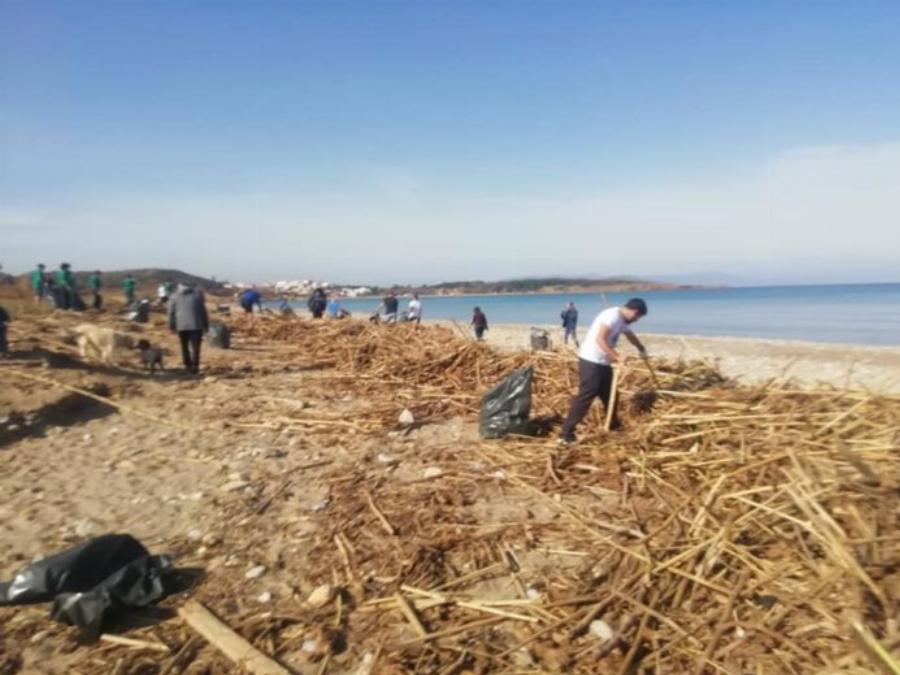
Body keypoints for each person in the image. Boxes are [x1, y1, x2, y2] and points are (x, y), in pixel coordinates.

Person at [558, 298, 649, 444]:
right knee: (586, 395)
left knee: (610, 394)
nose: (636, 320)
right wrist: (616, 356)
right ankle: (565, 434)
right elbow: (600, 339)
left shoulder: (622, 320)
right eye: (637, 317)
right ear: (635, 312)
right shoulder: (612, 316)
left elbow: (629, 334)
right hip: (591, 360)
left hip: (603, 363)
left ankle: (613, 424)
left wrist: (641, 348)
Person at [168, 284, 209, 374]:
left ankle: (187, 365)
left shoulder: (174, 297)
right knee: (196, 347)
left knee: (184, 346)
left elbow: (171, 312)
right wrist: (206, 325)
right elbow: (203, 312)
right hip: (196, 326)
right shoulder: (197, 297)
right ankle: (195, 366)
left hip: (181, 326)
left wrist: (171, 326)